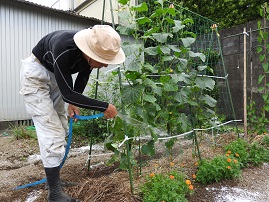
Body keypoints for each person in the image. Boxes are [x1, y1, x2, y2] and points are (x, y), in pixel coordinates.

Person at [19, 25, 125, 202]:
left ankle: (54, 182)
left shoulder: (89, 51)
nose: (105, 64)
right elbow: (67, 92)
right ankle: (54, 194)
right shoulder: (63, 48)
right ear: (90, 53)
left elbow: (83, 76)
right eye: (103, 60)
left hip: (56, 77)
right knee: (51, 132)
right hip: (36, 76)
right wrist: (104, 106)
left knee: (61, 127)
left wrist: (73, 103)